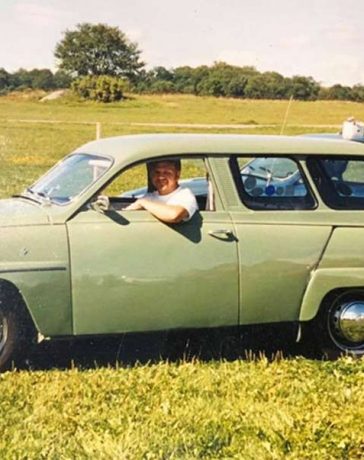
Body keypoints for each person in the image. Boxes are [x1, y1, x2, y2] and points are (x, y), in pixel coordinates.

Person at [125, 159, 198, 223]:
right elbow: (128, 212)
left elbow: (174, 216)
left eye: (167, 173)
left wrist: (144, 203)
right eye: (157, 172)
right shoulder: (149, 197)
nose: (161, 177)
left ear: (177, 175)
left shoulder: (185, 195)